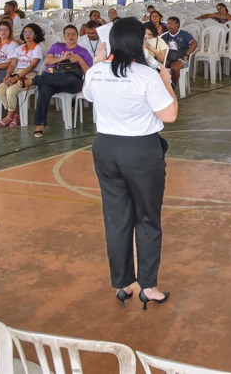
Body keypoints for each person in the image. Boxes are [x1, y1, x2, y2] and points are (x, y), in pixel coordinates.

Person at [82, 17, 177, 310]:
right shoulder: (146, 75)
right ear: (137, 42)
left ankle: (123, 284)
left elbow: (88, 97)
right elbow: (169, 115)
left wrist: (98, 60)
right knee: (147, 219)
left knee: (116, 219)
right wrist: (167, 83)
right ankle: (148, 286)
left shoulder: (96, 72)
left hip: (106, 149)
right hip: (140, 151)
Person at [20, 25, 93, 137]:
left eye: (73, 33)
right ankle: (40, 124)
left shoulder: (83, 51)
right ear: (64, 36)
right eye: (67, 34)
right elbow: (47, 61)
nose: (70, 36)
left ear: (77, 36)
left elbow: (89, 73)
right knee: (44, 89)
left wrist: (79, 59)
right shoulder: (57, 46)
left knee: (69, 79)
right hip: (53, 77)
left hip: (72, 82)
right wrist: (63, 58)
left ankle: (35, 80)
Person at [0, 24, 45, 128]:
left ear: (35, 35)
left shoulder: (38, 48)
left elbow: (31, 66)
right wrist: (8, 75)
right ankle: (15, 114)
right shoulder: (20, 48)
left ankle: (9, 116)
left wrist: (16, 77)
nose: (27, 35)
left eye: (30, 32)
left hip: (31, 75)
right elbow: (12, 64)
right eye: (25, 32)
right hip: (17, 73)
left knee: (10, 91)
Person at [160, 17, 197, 88]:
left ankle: (173, 86)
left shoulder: (184, 34)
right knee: (158, 67)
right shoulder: (164, 36)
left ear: (178, 25)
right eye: (167, 24)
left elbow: (194, 43)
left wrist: (186, 55)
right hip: (168, 58)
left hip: (181, 58)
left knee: (175, 67)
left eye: (171, 23)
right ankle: (163, 87)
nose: (168, 26)